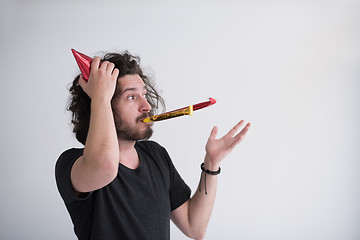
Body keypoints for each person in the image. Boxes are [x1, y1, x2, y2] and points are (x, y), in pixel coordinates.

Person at [55, 51, 251, 240]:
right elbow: (105, 166)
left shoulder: (156, 154)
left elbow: (195, 227)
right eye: (131, 97)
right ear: (101, 104)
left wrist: (211, 163)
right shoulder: (73, 163)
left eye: (144, 95)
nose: (147, 106)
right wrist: (100, 96)